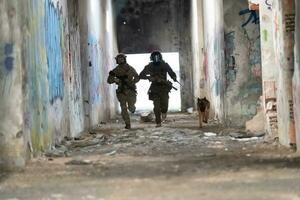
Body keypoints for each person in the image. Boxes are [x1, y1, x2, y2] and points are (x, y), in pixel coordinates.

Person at [139, 51, 177, 127]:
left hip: (164, 88)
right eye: (154, 57)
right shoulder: (149, 66)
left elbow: (171, 72)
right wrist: (149, 78)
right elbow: (141, 75)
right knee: (156, 107)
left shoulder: (164, 65)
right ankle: (158, 122)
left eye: (157, 56)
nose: (156, 58)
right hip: (155, 88)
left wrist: (174, 77)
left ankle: (164, 112)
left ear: (160, 57)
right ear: (152, 58)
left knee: (165, 105)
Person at [107, 53, 139, 129]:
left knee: (131, 107)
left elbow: (137, 77)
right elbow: (109, 80)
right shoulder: (116, 70)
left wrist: (132, 82)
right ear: (117, 60)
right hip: (122, 91)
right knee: (123, 108)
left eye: (122, 58)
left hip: (131, 91)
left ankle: (132, 107)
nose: (120, 60)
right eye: (119, 59)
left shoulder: (130, 68)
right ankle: (127, 123)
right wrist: (115, 80)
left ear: (124, 59)